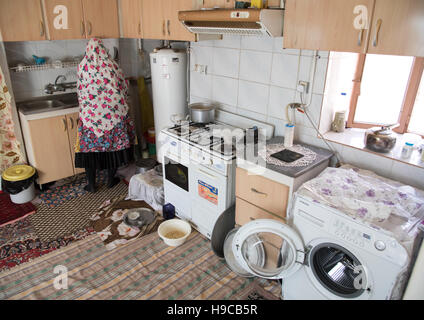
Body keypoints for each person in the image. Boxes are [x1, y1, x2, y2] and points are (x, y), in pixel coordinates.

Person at [75, 38, 135, 192]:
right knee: (112, 150)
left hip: (90, 119)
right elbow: (123, 86)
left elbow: (80, 90)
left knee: (89, 152)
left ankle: (91, 184)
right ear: (103, 50)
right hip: (113, 116)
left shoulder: (82, 66)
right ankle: (110, 180)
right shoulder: (113, 65)